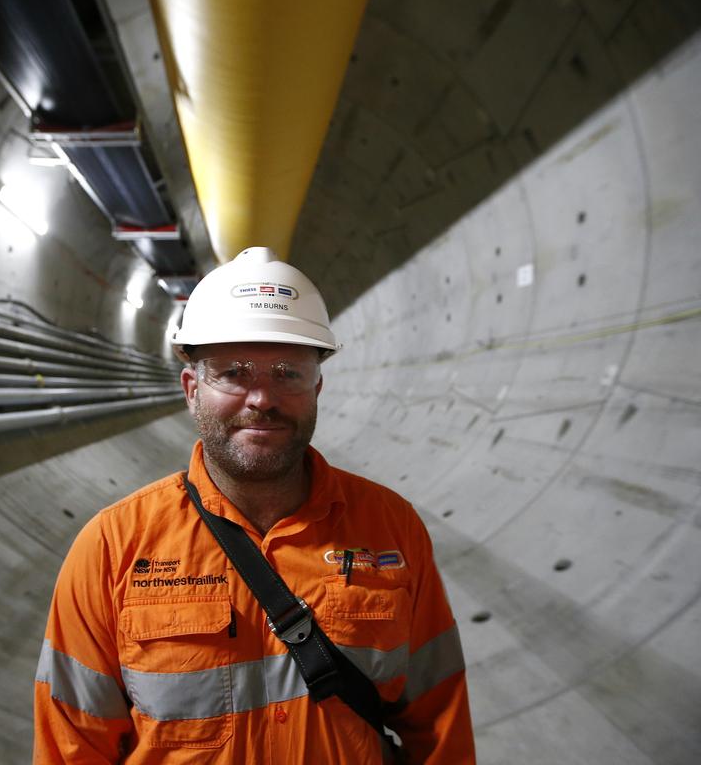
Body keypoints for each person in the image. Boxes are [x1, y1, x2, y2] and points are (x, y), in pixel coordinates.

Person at [34, 247, 475, 763]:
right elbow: (72, 749)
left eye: (287, 372)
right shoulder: (112, 548)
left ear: (318, 387)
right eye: (234, 372)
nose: (262, 397)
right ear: (191, 389)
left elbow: (439, 728)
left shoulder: (392, 529)